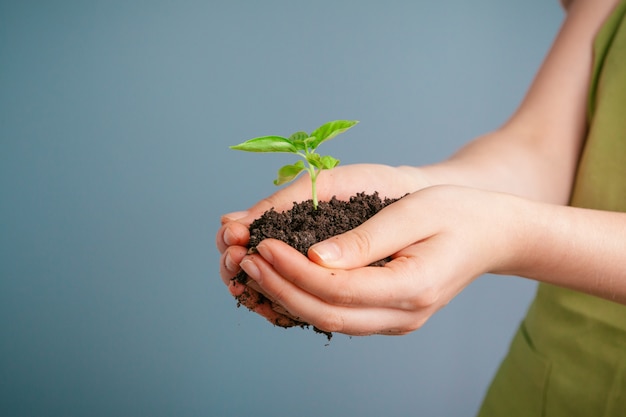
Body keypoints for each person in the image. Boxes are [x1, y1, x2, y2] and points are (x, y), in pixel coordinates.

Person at [217, 0, 626, 415]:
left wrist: (509, 232)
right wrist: (414, 188)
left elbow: (506, 221)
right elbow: (543, 149)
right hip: (544, 385)